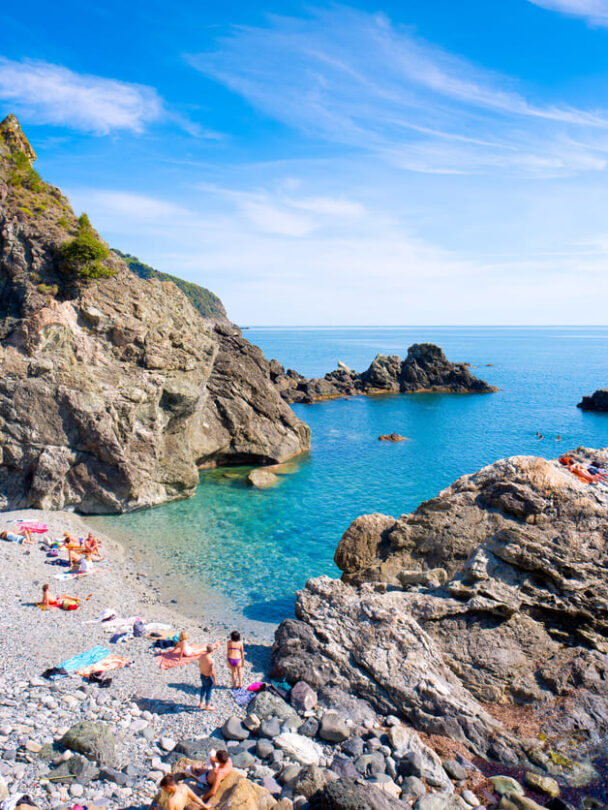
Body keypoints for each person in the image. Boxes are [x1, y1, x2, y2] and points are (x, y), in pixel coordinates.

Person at [198, 642, 219, 711]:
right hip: (207, 677)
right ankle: (207, 706)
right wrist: (215, 679)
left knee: (203, 688)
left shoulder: (201, 656)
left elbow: (200, 665)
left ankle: (201, 703)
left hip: (202, 675)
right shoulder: (211, 660)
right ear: (212, 651)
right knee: (208, 691)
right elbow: (212, 671)